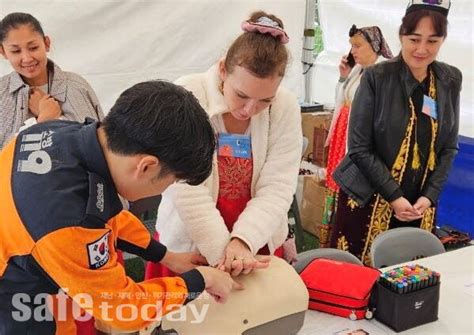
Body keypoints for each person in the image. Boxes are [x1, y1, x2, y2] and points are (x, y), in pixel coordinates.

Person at [0, 80, 242, 334]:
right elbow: (121, 308)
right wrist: (200, 281)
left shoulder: (59, 133)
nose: (165, 190)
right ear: (146, 166)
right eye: (170, 182)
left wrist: (166, 256)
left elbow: (106, 216)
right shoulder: (68, 221)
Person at [152, 11, 302, 277]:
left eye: (265, 100)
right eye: (241, 95)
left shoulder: (285, 105)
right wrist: (226, 255)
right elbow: (186, 188)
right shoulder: (189, 94)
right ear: (223, 69)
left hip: (256, 241)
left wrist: (244, 242)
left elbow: (278, 186)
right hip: (192, 241)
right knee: (186, 317)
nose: (249, 109)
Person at [330, 0, 462, 265]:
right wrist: (394, 196)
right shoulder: (377, 77)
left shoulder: (449, 79)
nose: (422, 49)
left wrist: (430, 196)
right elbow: (359, 147)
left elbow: (448, 146)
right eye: (414, 39)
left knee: (409, 280)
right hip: (369, 197)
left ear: (443, 41)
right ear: (401, 35)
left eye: (433, 41)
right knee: (359, 279)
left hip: (419, 204)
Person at [322, 24, 393, 247]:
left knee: (351, 186)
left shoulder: (382, 75)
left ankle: (348, 236)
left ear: (374, 46)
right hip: (343, 136)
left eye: (358, 46)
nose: (353, 50)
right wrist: (343, 77)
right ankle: (331, 236)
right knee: (337, 183)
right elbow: (343, 99)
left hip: (357, 141)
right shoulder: (357, 71)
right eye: (352, 45)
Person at [0, 12, 103, 149]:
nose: (27, 58)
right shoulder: (2, 93)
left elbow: (98, 146)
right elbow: (5, 156)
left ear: (46, 43)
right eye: (16, 51)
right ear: (3, 52)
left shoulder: (77, 87)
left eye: (33, 48)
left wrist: (57, 119)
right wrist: (43, 120)